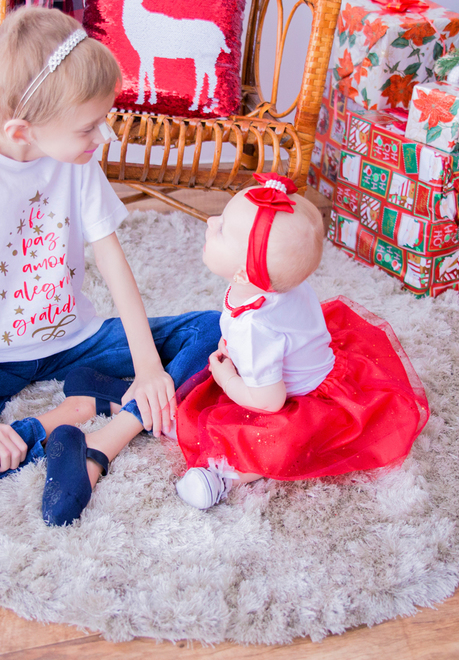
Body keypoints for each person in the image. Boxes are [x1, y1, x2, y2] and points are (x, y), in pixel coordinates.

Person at [0, 6, 219, 526]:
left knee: (223, 328)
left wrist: (149, 366)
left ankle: (110, 436)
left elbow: (109, 254)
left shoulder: (73, 154)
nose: (102, 137)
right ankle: (71, 415)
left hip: (74, 341)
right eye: (90, 128)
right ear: (23, 130)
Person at [173, 173, 430, 508]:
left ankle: (226, 476)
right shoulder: (276, 285)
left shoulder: (254, 327)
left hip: (297, 400)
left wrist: (229, 378)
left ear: (242, 273)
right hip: (309, 359)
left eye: (221, 229)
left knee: (276, 443)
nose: (210, 220)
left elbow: (270, 402)